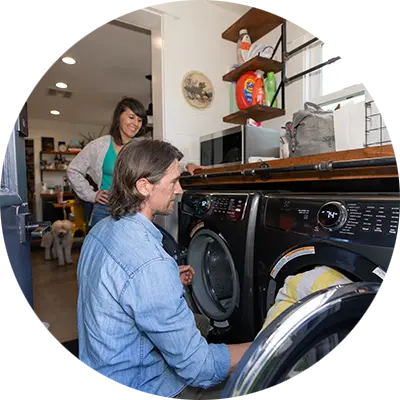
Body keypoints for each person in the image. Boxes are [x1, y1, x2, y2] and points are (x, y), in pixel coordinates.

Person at [77, 139, 251, 398]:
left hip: (102, 370)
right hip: (143, 386)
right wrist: (269, 343)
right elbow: (200, 367)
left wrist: (167, 277)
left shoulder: (100, 231)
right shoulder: (149, 264)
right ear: (144, 186)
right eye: (173, 182)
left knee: (200, 322)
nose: (179, 190)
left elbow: (117, 288)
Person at [67, 97, 203, 230]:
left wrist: (186, 165)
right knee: (101, 247)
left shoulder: (142, 146)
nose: (136, 123)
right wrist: (92, 195)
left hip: (135, 208)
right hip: (105, 208)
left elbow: (163, 163)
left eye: (139, 120)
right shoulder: (99, 145)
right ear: (119, 117)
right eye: (131, 117)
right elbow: (73, 170)